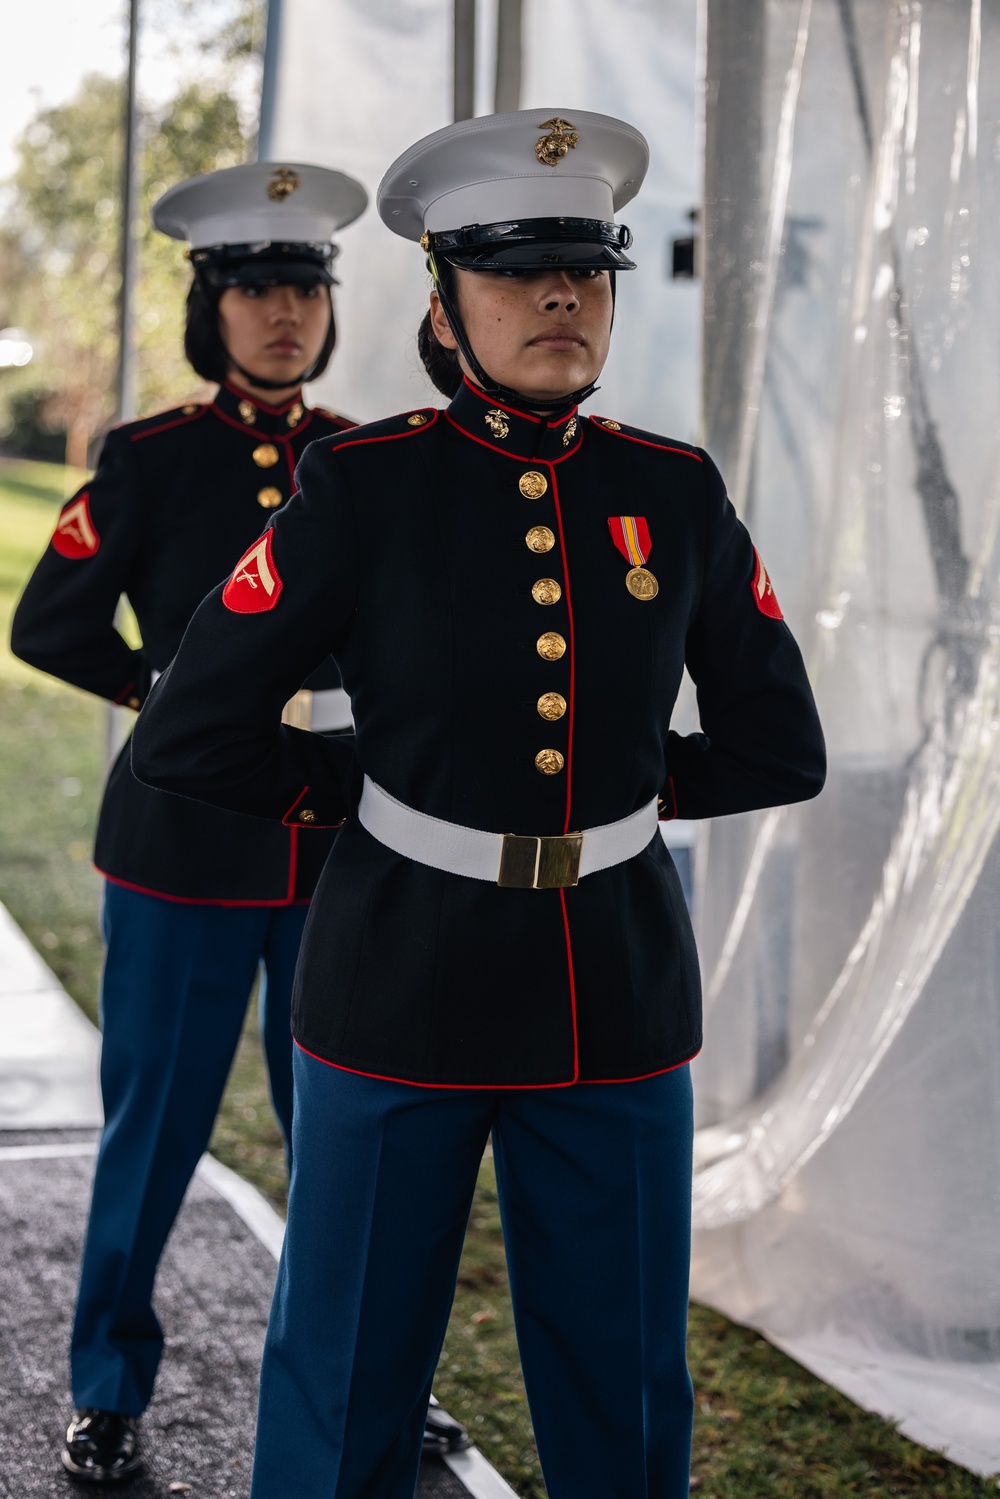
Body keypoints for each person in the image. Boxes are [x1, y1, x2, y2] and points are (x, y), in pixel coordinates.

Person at [132, 109, 826, 1499]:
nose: (561, 292)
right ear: (444, 307)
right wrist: (365, 787)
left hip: (616, 994)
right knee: (347, 1373)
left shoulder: (674, 494)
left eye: (586, 265)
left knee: (624, 1384)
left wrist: (622, 794)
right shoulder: (367, 486)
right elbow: (192, 729)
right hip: (400, 981)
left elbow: (776, 746)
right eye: (517, 267)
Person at [11, 158, 461, 1486]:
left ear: (330, 309)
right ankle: (108, 1383)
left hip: (336, 847)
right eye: (258, 292)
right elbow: (53, 623)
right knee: (156, 1125)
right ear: (217, 309)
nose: (284, 316)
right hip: (184, 851)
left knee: (353, 1131)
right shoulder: (147, 458)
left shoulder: (364, 460)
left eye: (304, 291)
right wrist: (175, 694)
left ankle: (382, 1380)